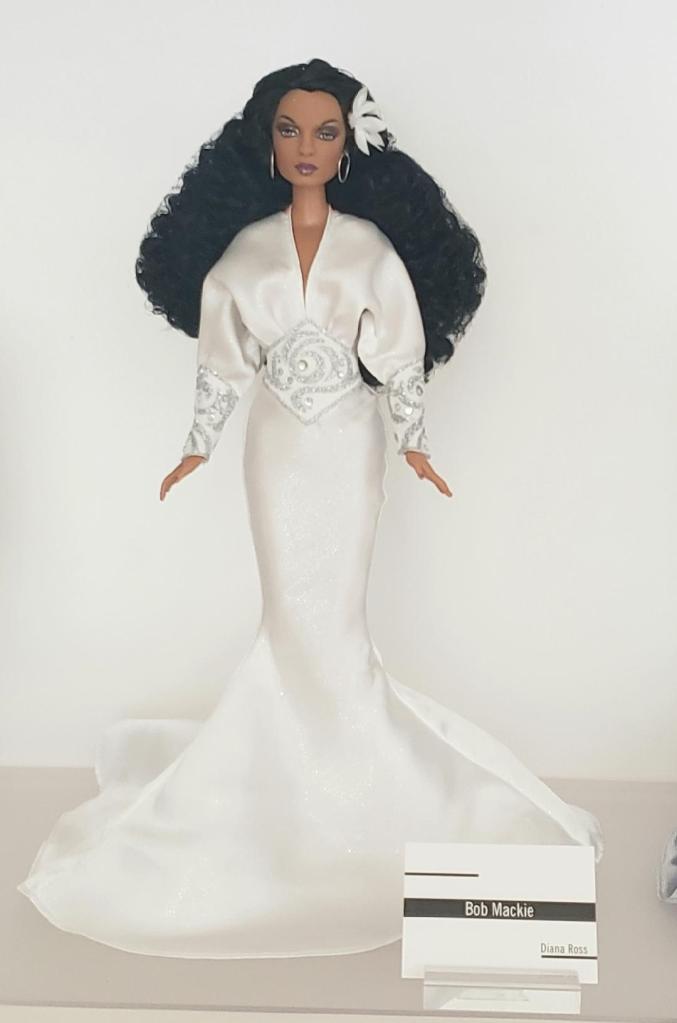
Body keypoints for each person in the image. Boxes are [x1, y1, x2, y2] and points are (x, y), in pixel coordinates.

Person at [17, 58, 603, 959]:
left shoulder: (368, 249)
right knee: (288, 613)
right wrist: (196, 445)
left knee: (336, 619)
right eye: (289, 129)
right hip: (276, 452)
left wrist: (412, 441)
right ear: (266, 139)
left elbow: (398, 354)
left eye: (325, 131)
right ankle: (281, 790)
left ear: (348, 144)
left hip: (350, 446)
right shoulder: (244, 253)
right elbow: (222, 361)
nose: (306, 147)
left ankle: (353, 787)